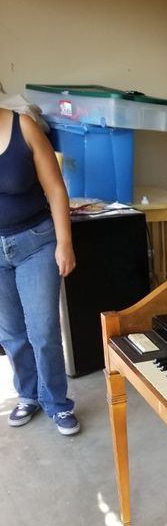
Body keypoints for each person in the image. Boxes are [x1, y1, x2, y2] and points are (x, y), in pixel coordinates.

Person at [0, 106, 80, 434]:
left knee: (43, 330)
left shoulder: (23, 127)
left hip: (35, 242)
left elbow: (56, 189)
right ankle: (28, 396)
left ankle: (56, 403)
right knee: (11, 333)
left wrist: (65, 243)